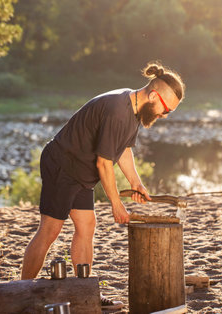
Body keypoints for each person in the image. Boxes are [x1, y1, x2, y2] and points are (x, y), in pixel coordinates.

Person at [20, 61, 185, 310]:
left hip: (81, 172)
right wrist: (116, 205)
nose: (164, 115)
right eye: (166, 110)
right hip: (62, 164)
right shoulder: (118, 111)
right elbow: (104, 163)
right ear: (153, 95)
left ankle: (84, 292)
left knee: (87, 226)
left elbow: (124, 150)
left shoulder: (135, 110)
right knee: (50, 231)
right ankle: (20, 292)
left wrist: (136, 183)